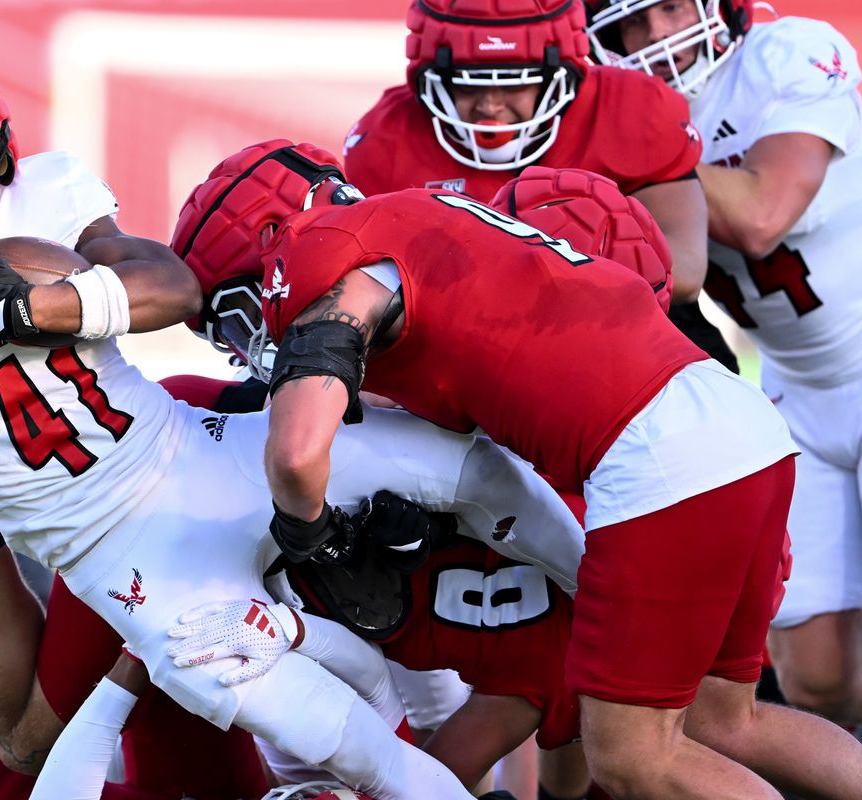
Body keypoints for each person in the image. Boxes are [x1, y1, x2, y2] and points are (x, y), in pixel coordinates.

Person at [0, 24, 586, 800]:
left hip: (185, 448)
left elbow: (174, 288)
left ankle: (615, 583)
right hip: (117, 553)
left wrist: (47, 305)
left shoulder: (43, 194)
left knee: (457, 469)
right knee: (360, 748)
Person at [172, 139, 862, 799]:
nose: (247, 347)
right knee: (722, 719)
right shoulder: (424, 219)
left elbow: (296, 453)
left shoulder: (340, 265)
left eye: (235, 317)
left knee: (631, 758)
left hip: (653, 457)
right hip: (733, 424)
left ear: (271, 245)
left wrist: (311, 535)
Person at [585, 0, 862, 729]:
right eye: (626, 27)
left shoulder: (789, 53)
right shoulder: (619, 109)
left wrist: (634, 141)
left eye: (668, 10)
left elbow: (764, 214)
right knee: (819, 680)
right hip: (790, 387)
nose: (653, 42)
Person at [341, 0, 737, 373]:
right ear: (431, 81)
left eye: (514, 85)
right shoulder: (387, 139)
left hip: (627, 345)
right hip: (465, 359)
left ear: (559, 74)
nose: (490, 107)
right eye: (468, 86)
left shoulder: (629, 108)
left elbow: (683, 273)